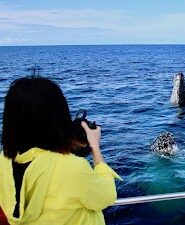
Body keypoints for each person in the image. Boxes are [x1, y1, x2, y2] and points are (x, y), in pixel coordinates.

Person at [0, 76, 122, 225]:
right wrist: (95, 147)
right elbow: (107, 196)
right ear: (58, 117)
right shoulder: (70, 167)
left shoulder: (3, 161)